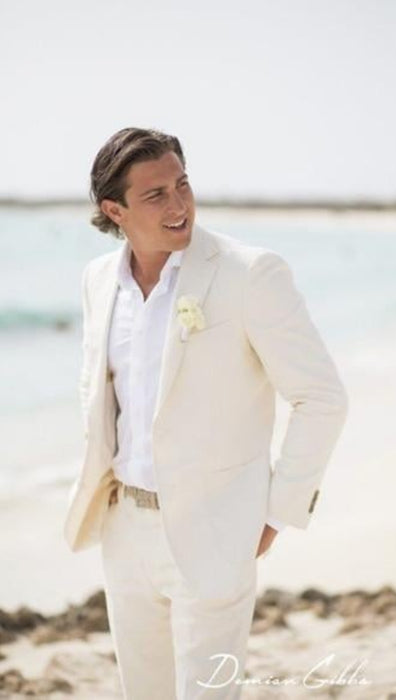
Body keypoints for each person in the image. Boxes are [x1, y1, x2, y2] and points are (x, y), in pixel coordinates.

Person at [63, 127, 348, 699]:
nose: (179, 205)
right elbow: (104, 400)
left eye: (183, 185)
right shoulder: (98, 281)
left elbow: (321, 397)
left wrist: (276, 513)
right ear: (115, 210)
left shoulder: (249, 273)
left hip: (218, 530)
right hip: (124, 527)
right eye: (156, 194)